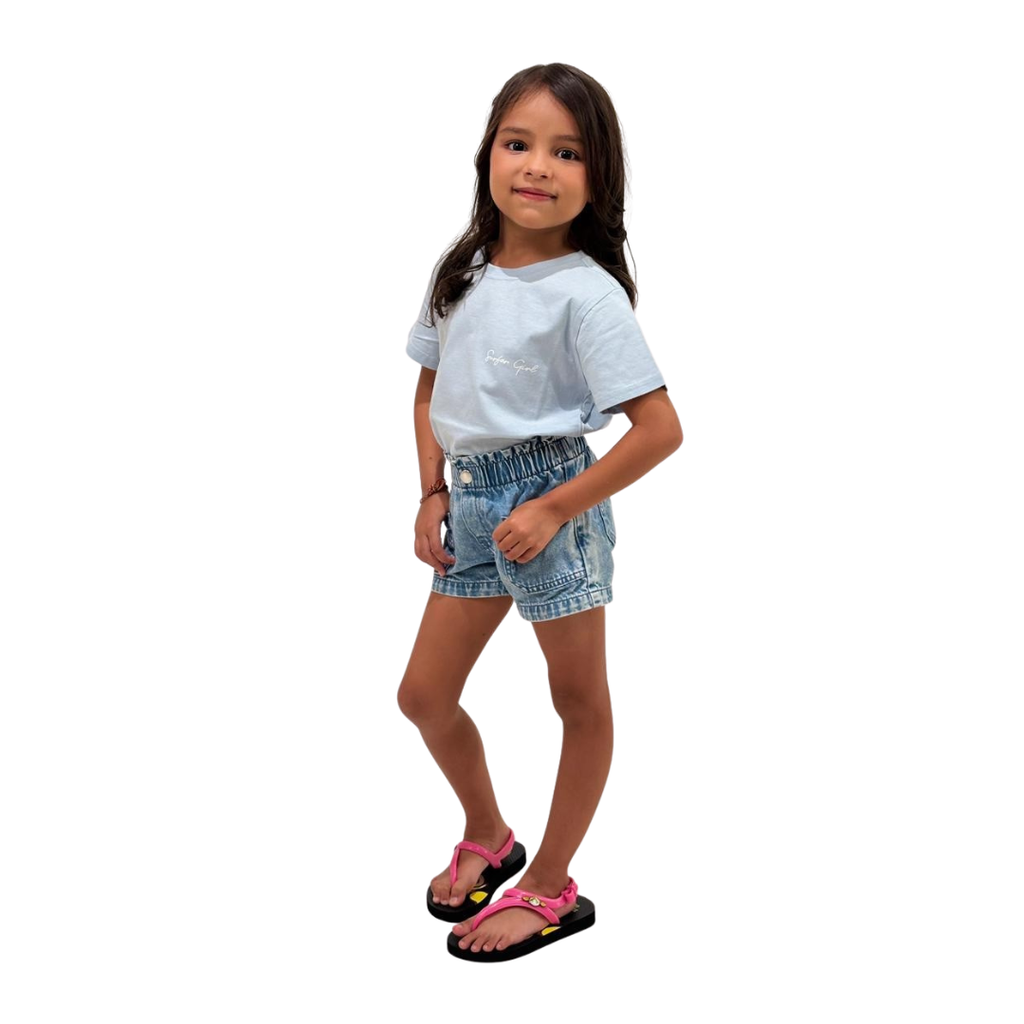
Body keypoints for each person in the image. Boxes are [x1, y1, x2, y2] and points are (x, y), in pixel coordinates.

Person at [397, 63, 683, 962]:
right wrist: (432, 492)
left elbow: (660, 430)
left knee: (577, 698)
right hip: (471, 501)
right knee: (423, 695)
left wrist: (555, 509)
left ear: (599, 176)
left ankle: (552, 884)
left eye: (567, 152)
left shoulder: (587, 294)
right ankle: (491, 833)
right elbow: (429, 391)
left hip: (552, 504)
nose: (537, 167)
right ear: (488, 152)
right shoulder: (461, 270)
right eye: (518, 143)